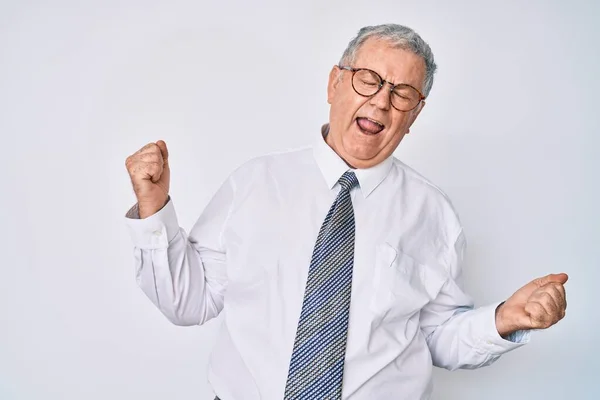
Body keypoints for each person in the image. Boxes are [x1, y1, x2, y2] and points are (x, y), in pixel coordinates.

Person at [123, 24, 567, 400]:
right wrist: (153, 207)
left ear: (415, 114)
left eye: (403, 93)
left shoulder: (434, 214)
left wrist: (503, 320)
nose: (380, 102)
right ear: (335, 83)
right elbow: (189, 301)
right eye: (368, 79)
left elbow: (435, 336)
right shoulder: (254, 182)